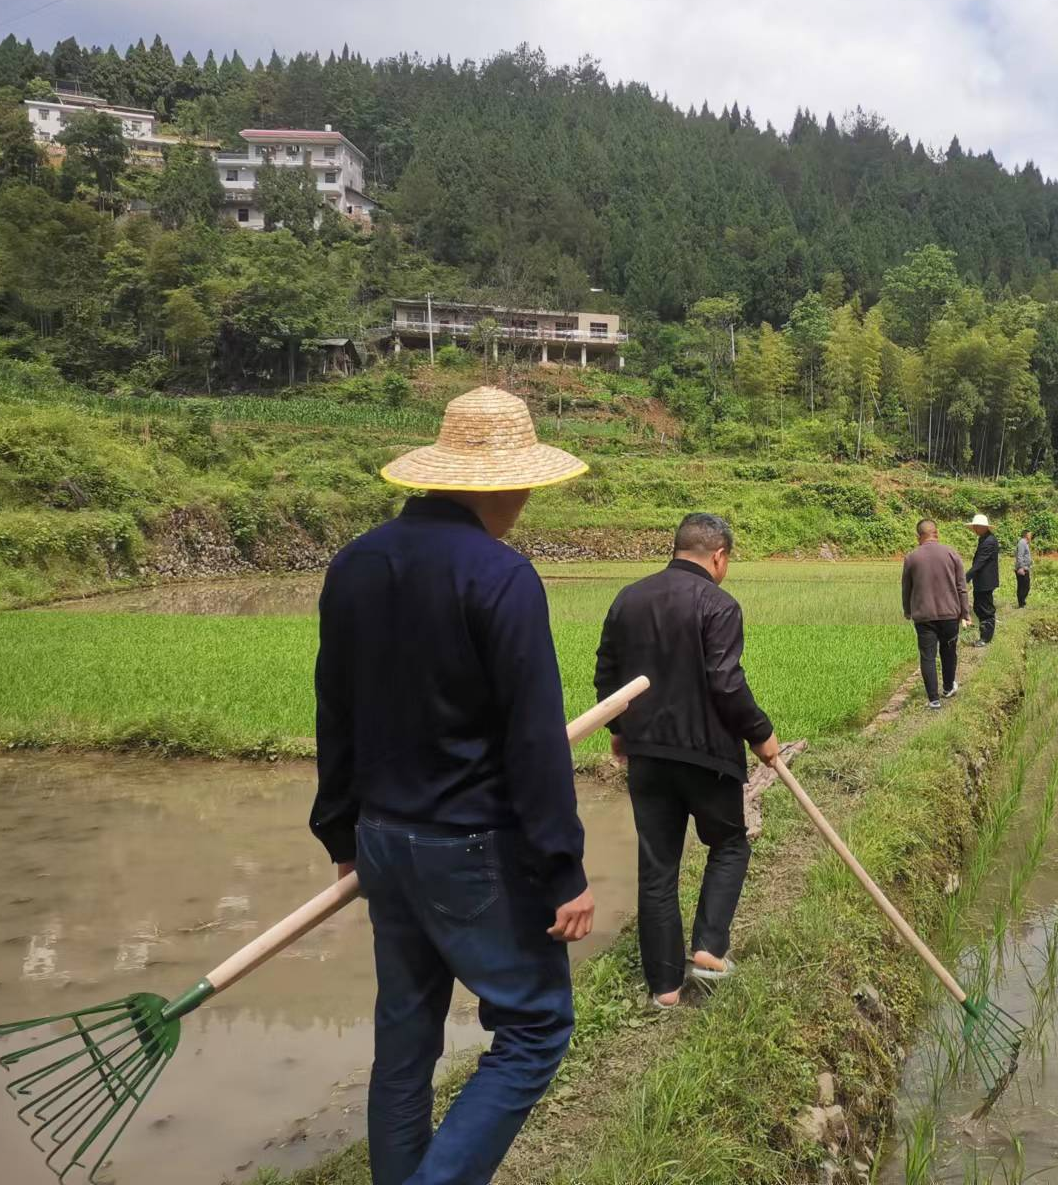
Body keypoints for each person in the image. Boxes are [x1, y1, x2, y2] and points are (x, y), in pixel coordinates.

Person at [310, 386, 596, 1185]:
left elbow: (335, 708)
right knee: (536, 1027)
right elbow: (533, 741)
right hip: (466, 848)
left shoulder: (355, 564)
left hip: (382, 842)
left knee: (405, 1038)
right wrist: (563, 869)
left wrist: (341, 833)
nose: (527, 504)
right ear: (499, 485)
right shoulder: (502, 577)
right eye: (525, 488)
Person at [594, 513, 780, 1010]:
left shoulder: (628, 598)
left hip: (648, 756)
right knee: (729, 843)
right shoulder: (718, 604)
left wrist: (618, 732)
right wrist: (760, 733)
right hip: (706, 756)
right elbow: (725, 681)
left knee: (657, 867)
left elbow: (606, 673)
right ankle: (709, 949)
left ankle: (665, 989)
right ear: (718, 556)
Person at [901, 519, 971, 709]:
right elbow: (961, 586)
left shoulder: (911, 558)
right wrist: (965, 612)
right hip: (949, 614)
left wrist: (908, 611)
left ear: (919, 536)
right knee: (949, 652)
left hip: (923, 617)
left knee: (927, 656)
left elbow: (906, 588)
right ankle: (948, 688)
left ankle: (933, 700)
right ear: (936, 533)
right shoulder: (951, 553)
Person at [964, 512, 1001, 645]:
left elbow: (980, 562)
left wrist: (966, 577)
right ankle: (984, 634)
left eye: (976, 526)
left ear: (983, 527)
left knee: (985, 609)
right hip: (982, 581)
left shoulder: (989, 541)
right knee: (979, 607)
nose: (974, 529)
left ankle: (985, 638)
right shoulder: (984, 538)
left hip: (986, 581)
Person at [1015, 529, 1034, 608]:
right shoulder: (1022, 543)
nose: (1031, 536)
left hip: (1026, 568)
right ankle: (1021, 604)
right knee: (1023, 586)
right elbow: (1020, 556)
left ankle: (1022, 602)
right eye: (1030, 534)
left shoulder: (1025, 543)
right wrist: (1020, 568)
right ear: (1026, 535)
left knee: (1025, 586)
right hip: (1022, 568)